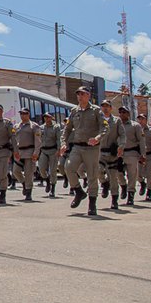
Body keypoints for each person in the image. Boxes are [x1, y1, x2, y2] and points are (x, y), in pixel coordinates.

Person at [59, 86, 108, 216]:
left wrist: (98, 138)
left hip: (92, 148)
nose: (80, 97)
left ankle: (92, 204)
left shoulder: (96, 111)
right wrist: (64, 143)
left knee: (92, 175)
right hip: (77, 146)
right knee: (68, 168)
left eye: (82, 94)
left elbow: (104, 128)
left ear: (88, 95)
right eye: (78, 94)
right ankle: (79, 191)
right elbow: (67, 129)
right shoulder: (74, 111)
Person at [98, 100, 125, 210]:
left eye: (107, 106)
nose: (105, 108)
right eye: (103, 106)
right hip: (100, 152)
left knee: (113, 178)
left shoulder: (116, 121)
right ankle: (104, 183)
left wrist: (122, 146)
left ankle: (114, 200)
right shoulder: (98, 120)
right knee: (97, 171)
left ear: (111, 108)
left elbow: (122, 134)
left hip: (112, 153)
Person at [13, 107, 41, 201]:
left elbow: (38, 141)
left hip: (29, 151)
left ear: (28, 114)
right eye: (21, 113)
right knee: (15, 171)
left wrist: (36, 153)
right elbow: (14, 140)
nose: (22, 115)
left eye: (24, 113)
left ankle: (28, 192)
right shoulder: (17, 126)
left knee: (29, 173)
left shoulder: (34, 126)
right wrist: (14, 151)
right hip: (19, 152)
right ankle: (24, 183)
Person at [118, 107, 144, 206]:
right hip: (119, 153)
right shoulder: (117, 124)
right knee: (117, 172)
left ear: (128, 114)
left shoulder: (135, 125)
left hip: (132, 153)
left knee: (132, 175)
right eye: (120, 112)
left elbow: (141, 140)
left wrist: (143, 154)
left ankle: (130, 195)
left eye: (124, 112)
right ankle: (123, 186)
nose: (121, 114)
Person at [137, 113, 151, 202]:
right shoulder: (136, 129)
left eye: (142, 119)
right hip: (139, 155)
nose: (141, 120)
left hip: (150, 155)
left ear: (146, 120)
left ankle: (149, 192)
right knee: (137, 173)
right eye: (139, 119)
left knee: (150, 173)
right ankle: (142, 183)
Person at [38, 112, 61, 198]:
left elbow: (58, 139)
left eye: (48, 117)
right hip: (44, 150)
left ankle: (53, 189)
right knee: (41, 168)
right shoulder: (41, 128)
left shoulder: (56, 127)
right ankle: (47, 180)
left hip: (53, 150)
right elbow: (38, 139)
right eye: (45, 117)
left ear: (51, 118)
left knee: (53, 170)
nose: (47, 119)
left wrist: (59, 150)